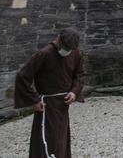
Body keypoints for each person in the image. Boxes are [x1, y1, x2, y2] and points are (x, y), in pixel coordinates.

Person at [14, 28, 85, 158]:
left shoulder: (75, 53)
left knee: (61, 138)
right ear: (59, 40)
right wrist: (34, 100)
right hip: (46, 105)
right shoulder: (44, 54)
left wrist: (74, 92)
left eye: (70, 49)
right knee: (46, 138)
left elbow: (79, 75)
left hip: (63, 104)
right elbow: (22, 76)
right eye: (66, 47)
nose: (67, 51)